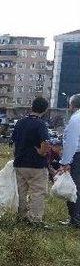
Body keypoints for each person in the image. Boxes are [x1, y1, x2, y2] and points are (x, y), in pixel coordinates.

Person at [12, 97, 50, 227]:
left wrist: (16, 157)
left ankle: (20, 216)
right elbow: (45, 143)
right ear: (45, 110)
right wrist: (42, 152)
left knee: (21, 191)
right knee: (37, 192)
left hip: (20, 162)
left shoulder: (20, 122)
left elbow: (14, 144)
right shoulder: (41, 124)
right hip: (36, 165)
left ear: (32, 107)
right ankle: (34, 219)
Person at [59, 93, 80, 229]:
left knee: (74, 187)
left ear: (72, 105)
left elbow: (71, 143)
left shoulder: (76, 119)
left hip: (77, 157)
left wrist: (65, 162)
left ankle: (75, 218)